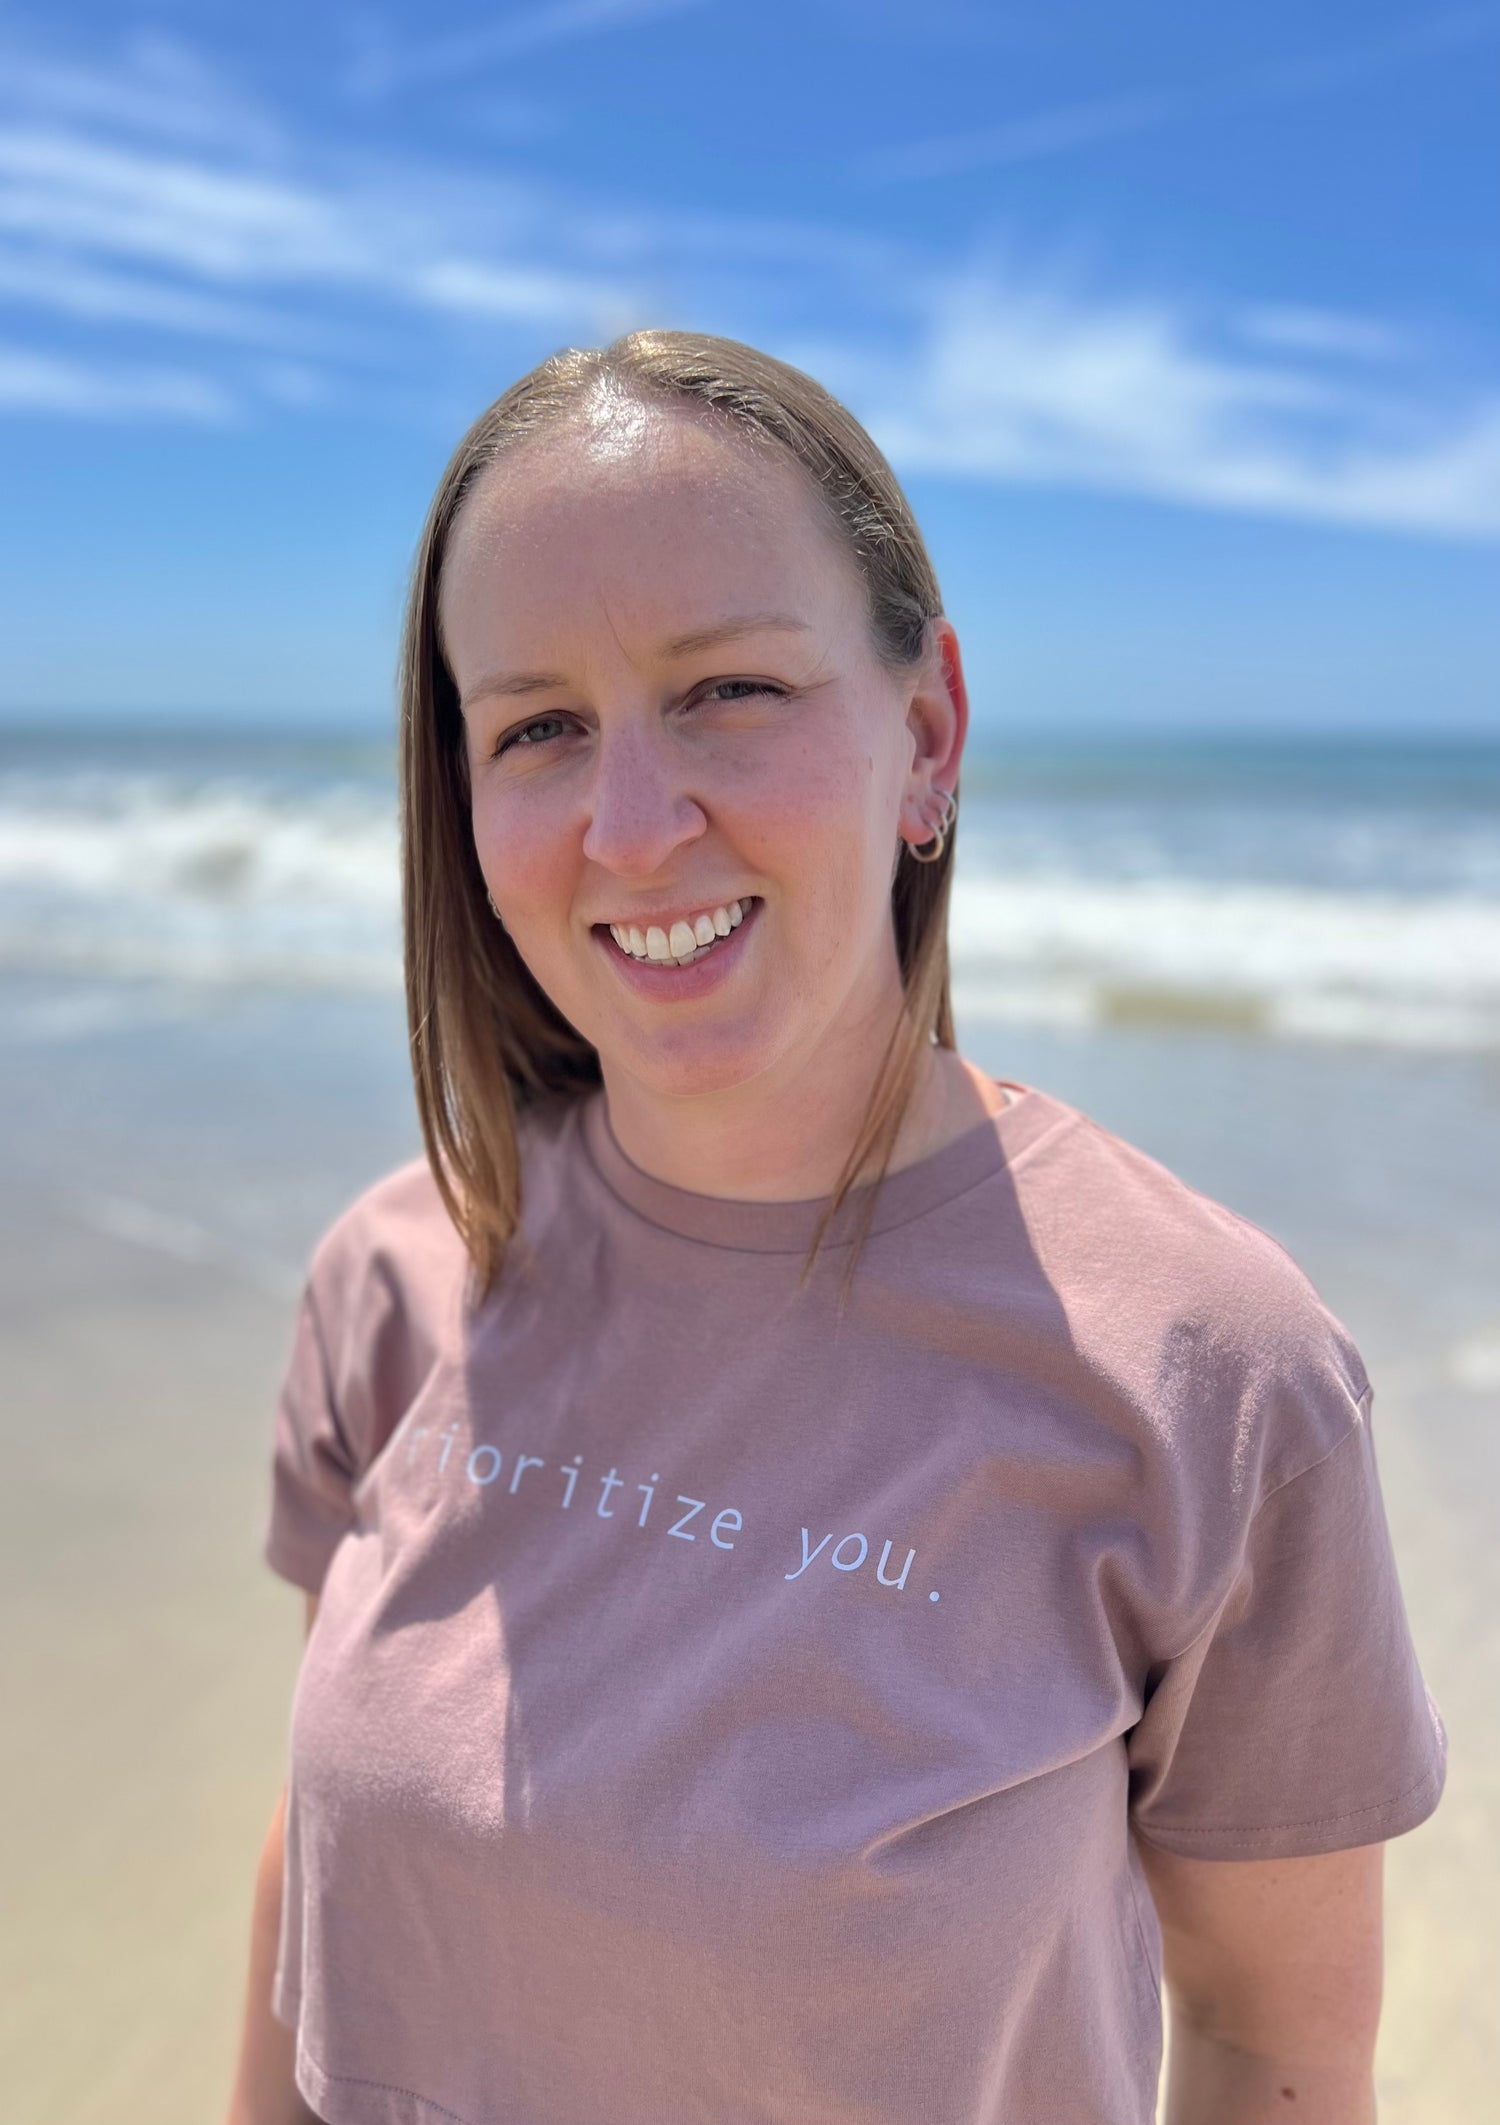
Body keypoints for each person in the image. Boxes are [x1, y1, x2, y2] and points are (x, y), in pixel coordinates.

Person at [225, 330, 1446, 2125]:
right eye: (539, 726)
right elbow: (323, 1869)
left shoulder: (1211, 1370)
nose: (633, 827)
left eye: (729, 689)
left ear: (926, 733)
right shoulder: (406, 1272)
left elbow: (1275, 2045)